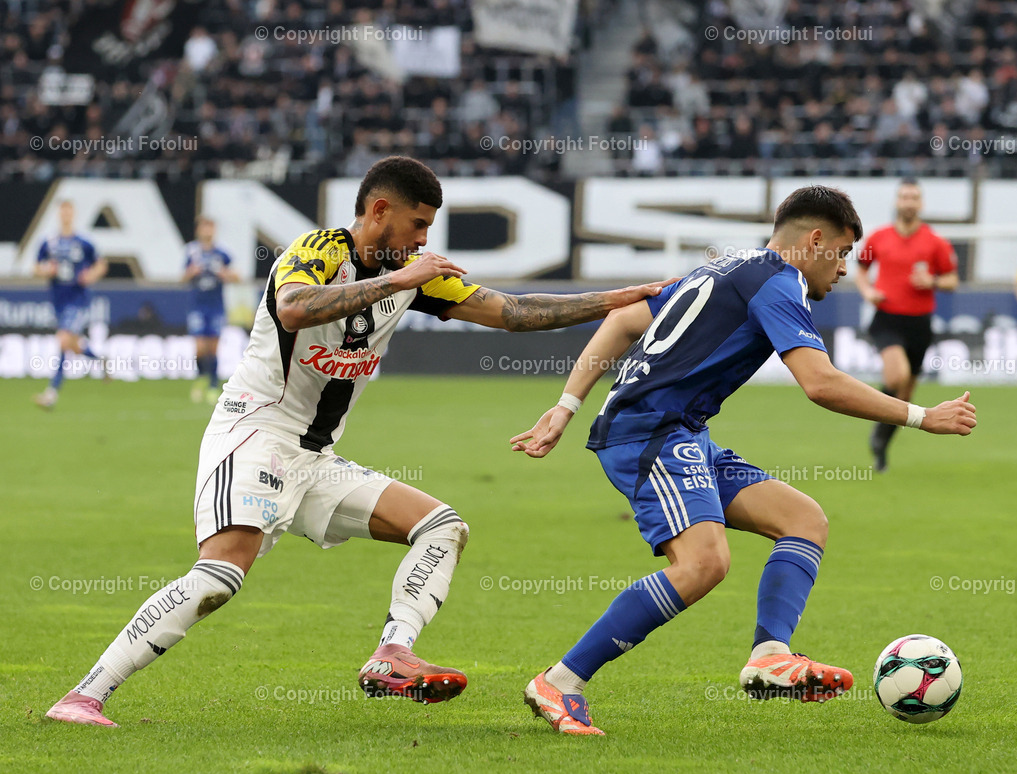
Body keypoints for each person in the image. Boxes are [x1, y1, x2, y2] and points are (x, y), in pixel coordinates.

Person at [44, 155, 670, 727]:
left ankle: (393, 653)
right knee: (219, 577)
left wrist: (618, 299)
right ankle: (83, 697)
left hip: (314, 459)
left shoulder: (413, 273)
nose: (425, 240)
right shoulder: (319, 250)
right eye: (418, 224)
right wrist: (403, 282)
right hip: (254, 433)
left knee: (443, 526)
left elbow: (513, 312)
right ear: (379, 212)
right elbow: (293, 308)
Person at [509, 185, 977, 736]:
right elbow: (820, 383)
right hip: (650, 432)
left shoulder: (726, 266)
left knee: (803, 520)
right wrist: (923, 417)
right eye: (845, 253)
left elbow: (622, 320)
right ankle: (561, 681)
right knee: (703, 564)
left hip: (679, 432)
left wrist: (566, 407)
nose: (846, 269)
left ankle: (771, 655)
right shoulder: (780, 281)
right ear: (817, 239)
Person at [856, 178, 958, 471]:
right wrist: (868, 292)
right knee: (897, 375)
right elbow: (861, 271)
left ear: (921, 203)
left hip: (920, 325)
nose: (909, 202)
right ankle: (878, 426)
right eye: (904, 197)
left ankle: (881, 444)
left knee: (906, 395)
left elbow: (952, 280)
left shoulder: (935, 242)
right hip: (887, 318)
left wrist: (933, 281)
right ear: (897, 202)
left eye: (914, 197)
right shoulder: (879, 237)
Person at [33, 200, 108, 409]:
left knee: (63, 341)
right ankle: (100, 360)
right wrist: (46, 270)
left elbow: (101, 265)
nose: (65, 215)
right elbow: (36, 267)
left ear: (73, 214)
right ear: (59, 214)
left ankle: (51, 393)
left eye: (69, 211)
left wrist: (91, 275)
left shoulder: (83, 243)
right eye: (62, 211)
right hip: (59, 300)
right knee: (72, 345)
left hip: (78, 299)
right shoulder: (49, 242)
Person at [184, 216, 239, 403]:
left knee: (213, 347)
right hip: (198, 306)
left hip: (216, 306)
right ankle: (201, 378)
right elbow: (183, 278)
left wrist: (226, 274)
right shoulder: (191, 251)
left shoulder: (221, 253)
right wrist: (190, 273)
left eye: (210, 227)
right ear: (198, 229)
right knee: (199, 347)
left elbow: (237, 277)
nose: (207, 231)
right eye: (204, 227)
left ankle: (213, 385)